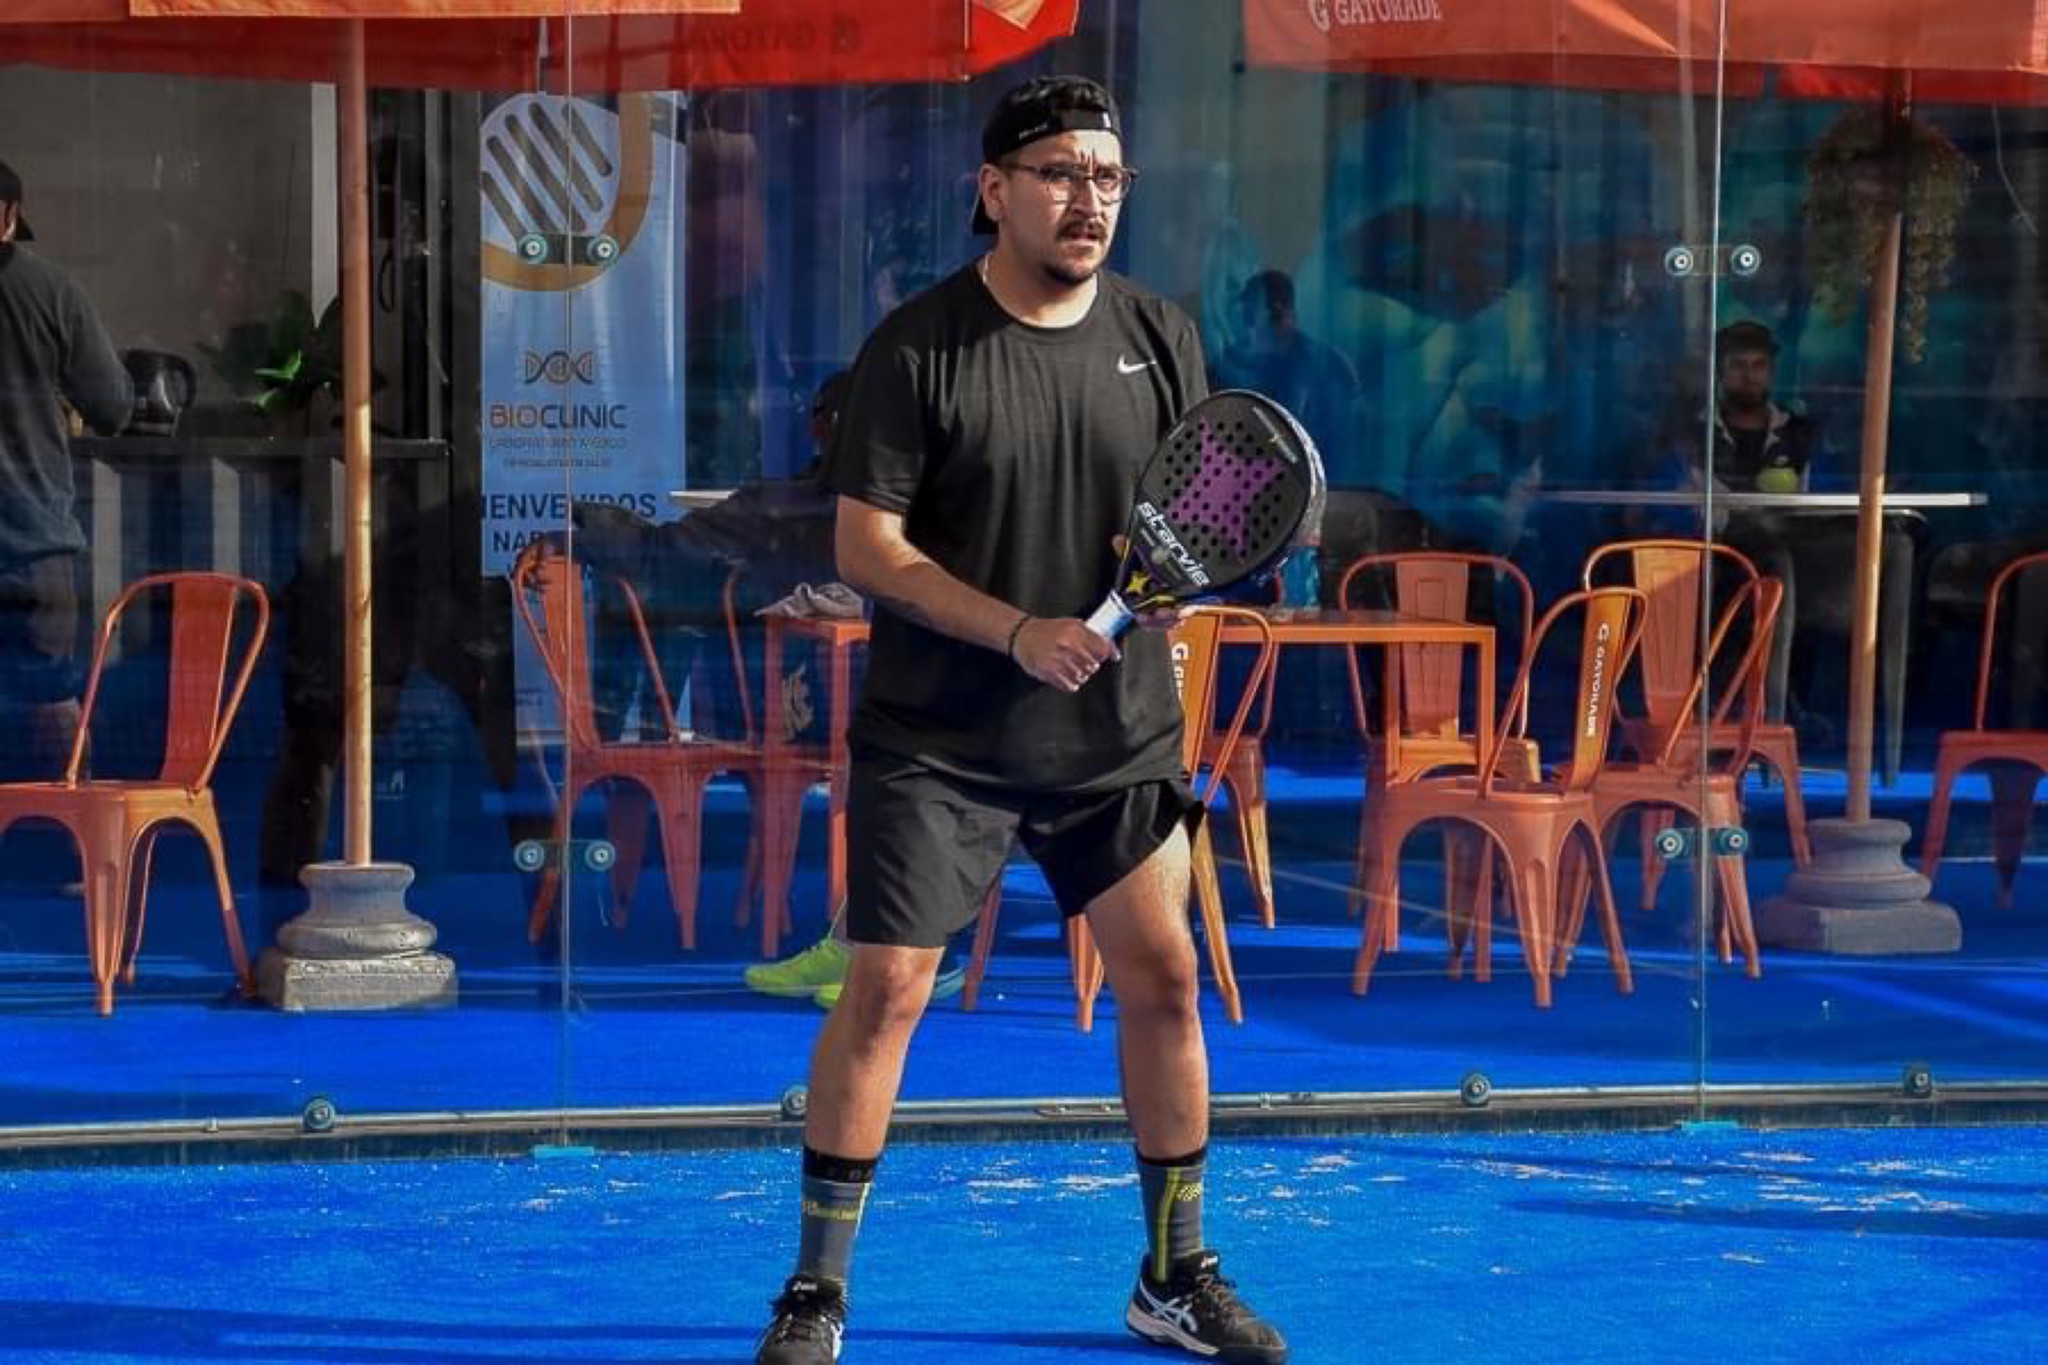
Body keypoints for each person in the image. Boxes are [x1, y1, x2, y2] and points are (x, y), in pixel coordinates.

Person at [750, 76, 1287, 1365]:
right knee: (886, 990)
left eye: (1107, 176)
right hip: (938, 743)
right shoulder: (916, 347)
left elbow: (1191, 511)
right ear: (993, 190)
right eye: (1058, 172)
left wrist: (1169, 591)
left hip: (1116, 738)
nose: (1087, 198)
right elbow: (867, 549)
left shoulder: (1160, 335)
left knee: (1164, 981)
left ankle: (1174, 1277)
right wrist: (1015, 630)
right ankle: (815, 1294)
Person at [0, 158, 130, 782]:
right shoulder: (51, 291)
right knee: (51, 705)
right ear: (10, 216)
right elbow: (113, 407)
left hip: (33, 543)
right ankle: (73, 836)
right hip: (33, 545)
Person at [1211, 268, 1361, 464]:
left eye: (1252, 315)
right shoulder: (1230, 366)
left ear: (1280, 314)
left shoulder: (1329, 366)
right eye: (1246, 316)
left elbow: (1344, 443)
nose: (1249, 328)